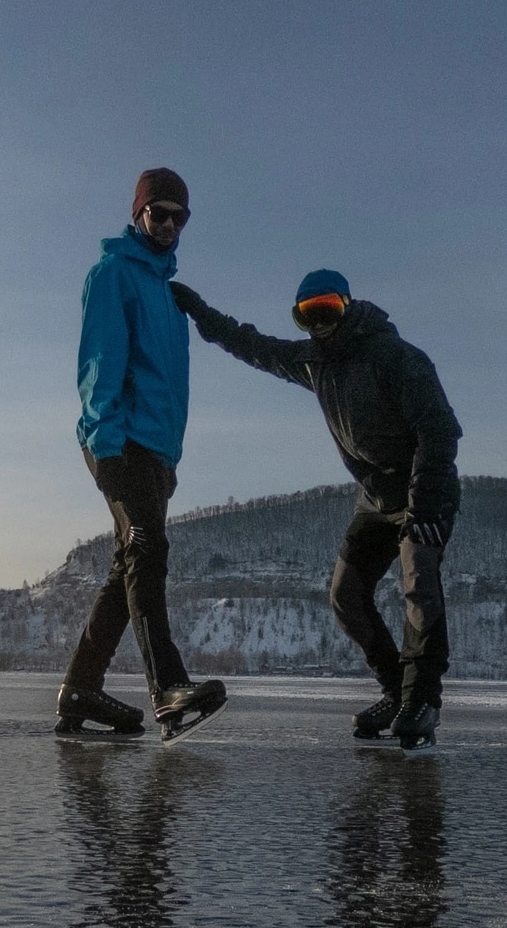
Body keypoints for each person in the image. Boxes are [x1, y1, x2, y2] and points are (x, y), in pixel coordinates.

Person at [170, 269, 460, 751]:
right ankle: (395, 691)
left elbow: (440, 431)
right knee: (346, 594)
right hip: (374, 498)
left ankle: (421, 701)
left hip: (422, 489)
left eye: (327, 309)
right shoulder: (313, 362)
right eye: (308, 315)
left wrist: (424, 504)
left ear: (348, 306)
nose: (320, 323)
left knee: (418, 584)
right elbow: (252, 345)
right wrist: (199, 311)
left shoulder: (397, 357)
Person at [57, 168, 227, 740]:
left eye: (181, 216)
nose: (171, 225)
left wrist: (168, 459)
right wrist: (105, 446)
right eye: (160, 213)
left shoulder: (167, 293)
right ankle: (168, 689)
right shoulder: (112, 275)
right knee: (148, 549)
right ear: (139, 215)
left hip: (155, 452)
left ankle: (81, 687)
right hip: (119, 441)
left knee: (126, 564)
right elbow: (99, 364)